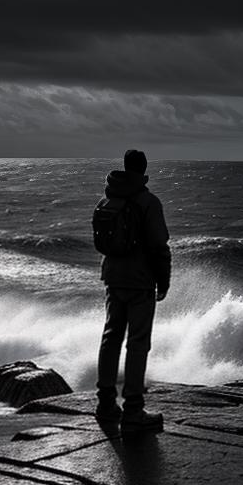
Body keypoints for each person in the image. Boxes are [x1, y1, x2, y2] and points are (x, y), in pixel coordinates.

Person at [96, 148, 171, 432]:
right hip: (140, 282)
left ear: (125, 167)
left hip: (113, 279)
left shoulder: (108, 197)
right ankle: (133, 411)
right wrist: (163, 282)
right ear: (144, 170)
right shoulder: (148, 202)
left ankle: (105, 404)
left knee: (111, 337)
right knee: (138, 343)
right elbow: (159, 246)